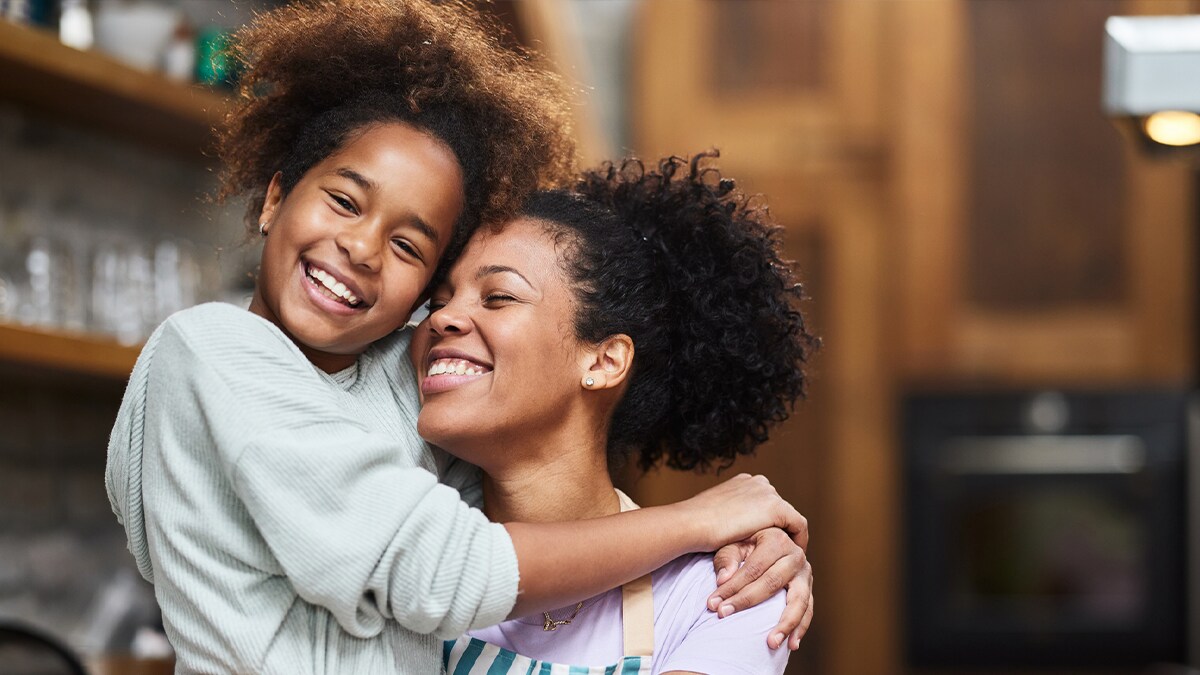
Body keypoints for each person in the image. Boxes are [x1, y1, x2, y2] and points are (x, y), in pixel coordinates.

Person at [104, 2, 812, 673]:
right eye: (345, 200)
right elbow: (443, 570)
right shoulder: (209, 352)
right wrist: (699, 518)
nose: (361, 248)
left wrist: (754, 538)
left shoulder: (401, 403)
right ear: (273, 197)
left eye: (413, 252)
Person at [413, 152, 819, 674]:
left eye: (497, 297)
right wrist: (696, 519)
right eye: (438, 300)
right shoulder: (402, 535)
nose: (443, 317)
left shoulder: (730, 590)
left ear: (604, 361)